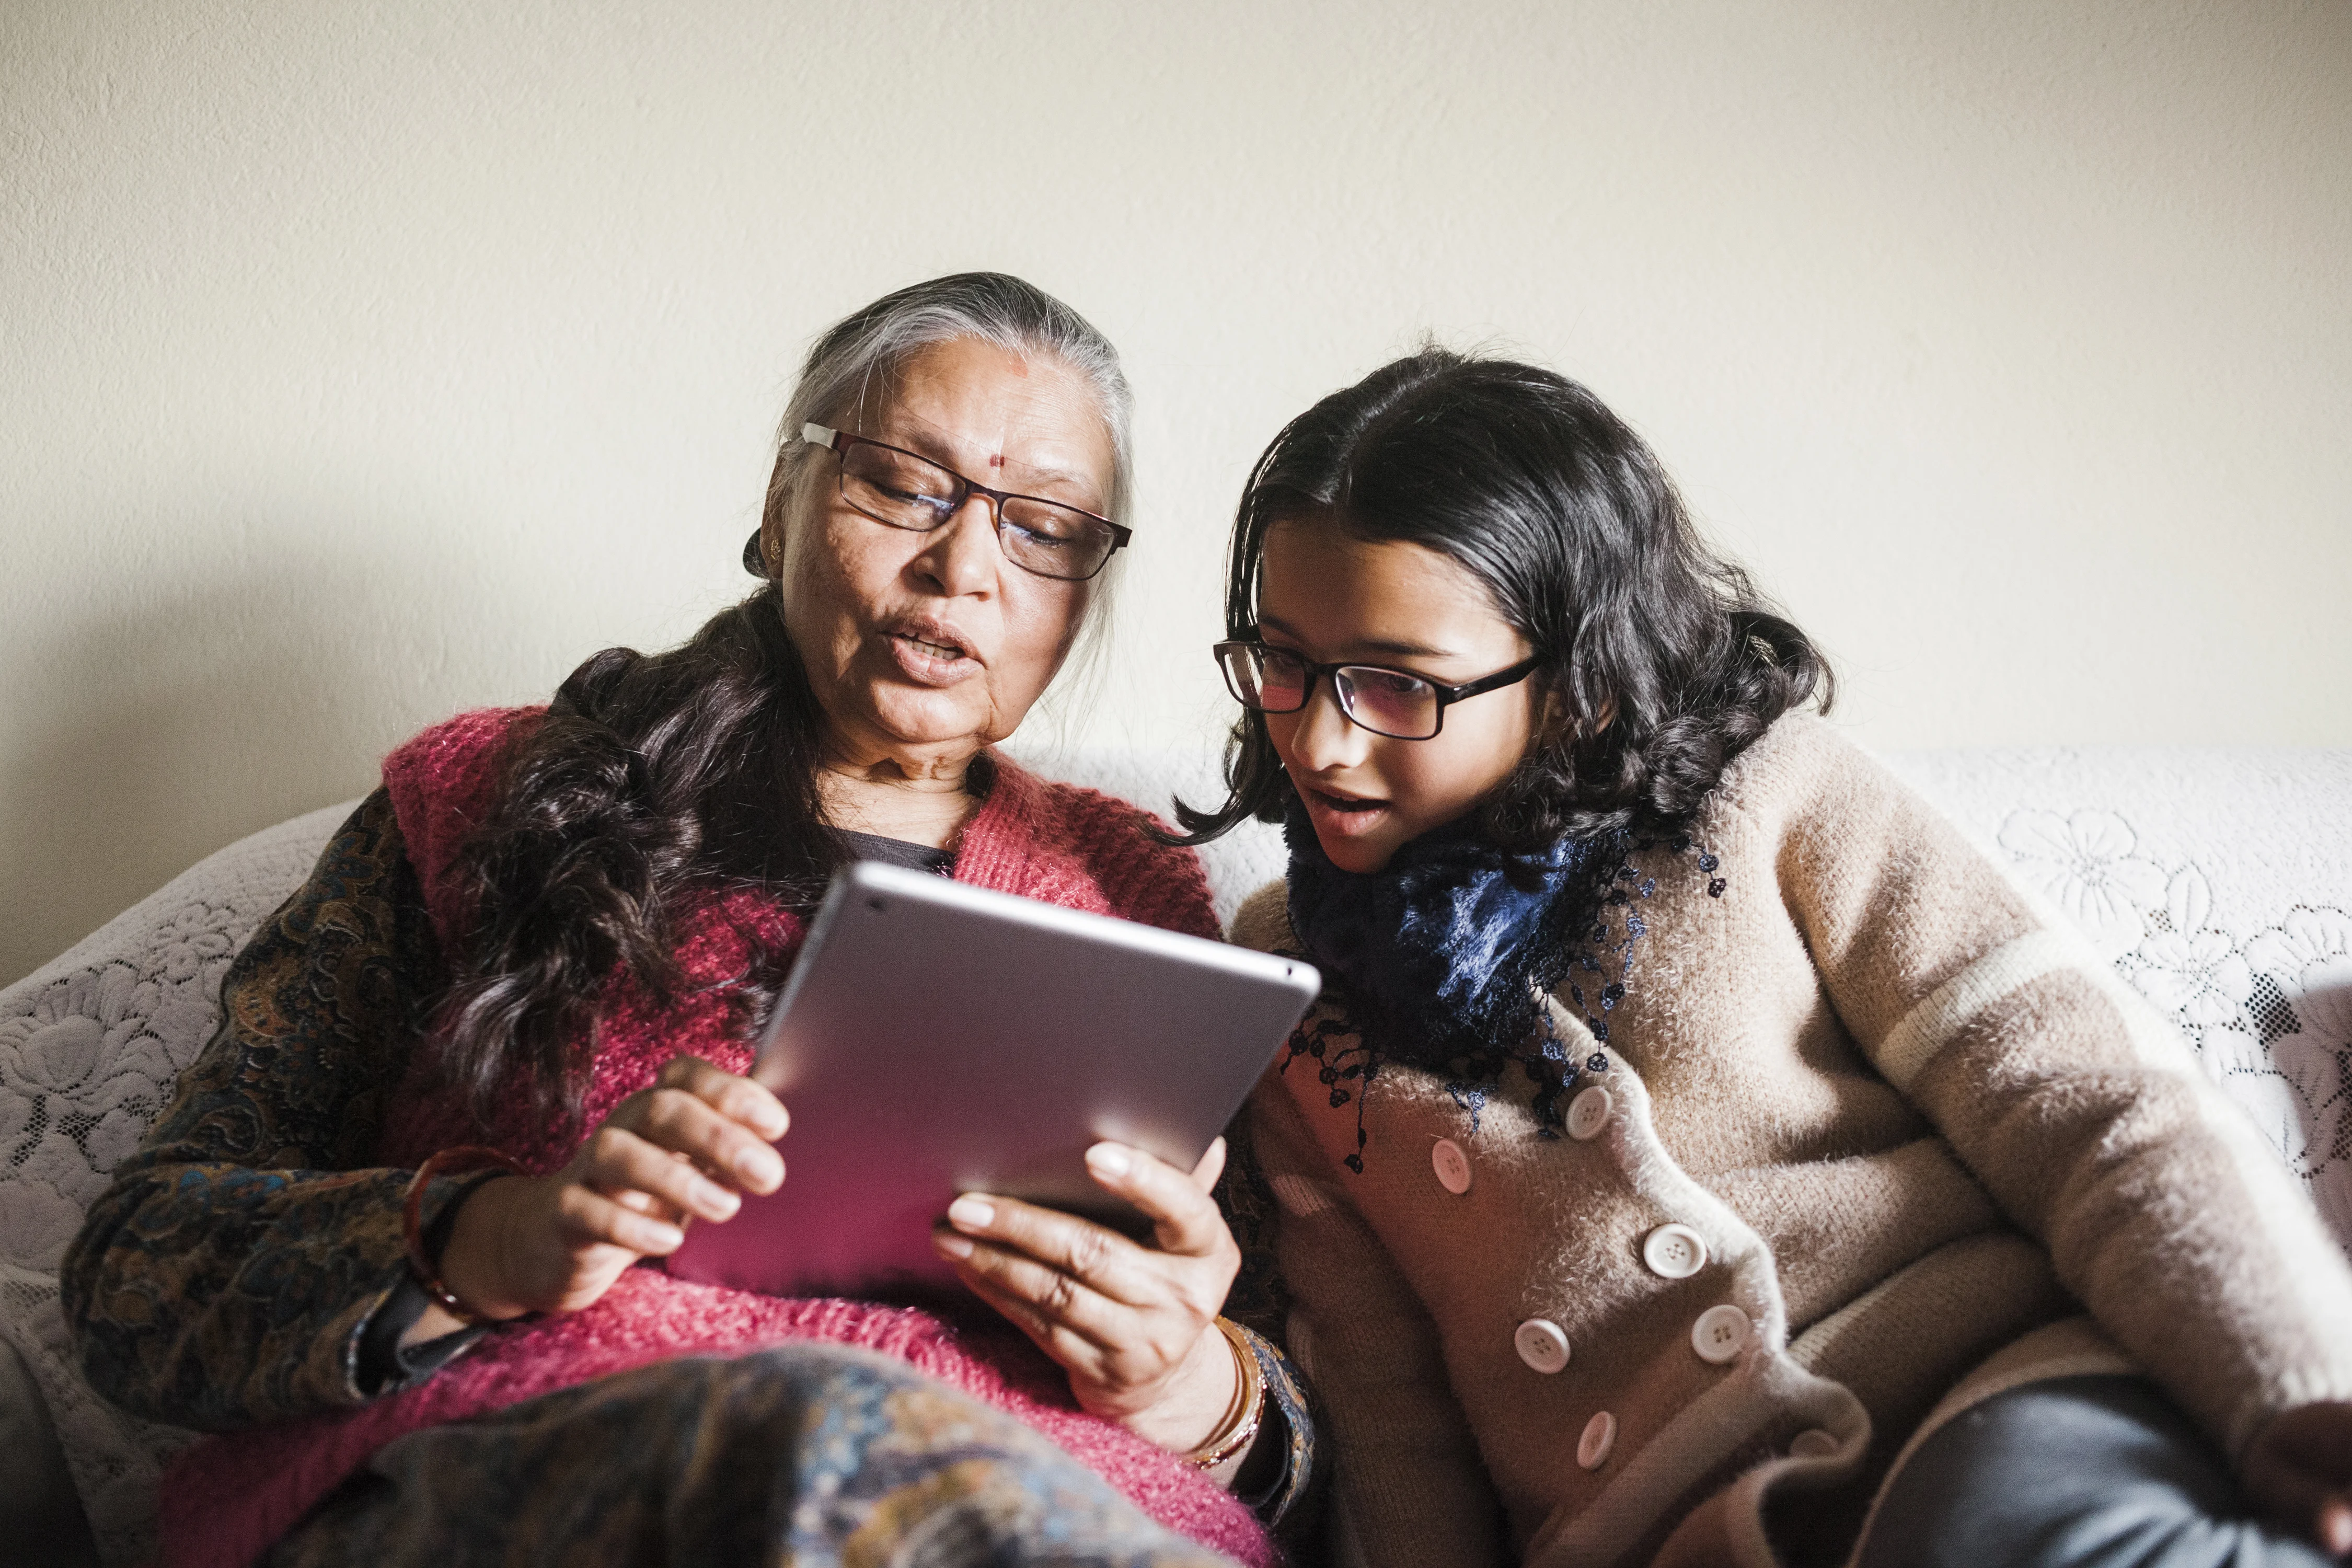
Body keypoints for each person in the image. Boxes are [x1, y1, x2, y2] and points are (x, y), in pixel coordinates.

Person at [62, 273, 1313, 1568]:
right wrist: (499, 1237)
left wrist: (1193, 1390)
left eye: (1044, 528)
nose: (965, 568)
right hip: (547, 1463)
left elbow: (1298, 1425)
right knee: (822, 1430)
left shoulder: (1148, 907)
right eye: (904, 483)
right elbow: (140, 1276)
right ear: (781, 509)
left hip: (1035, 1511)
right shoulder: (497, 801)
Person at [1187, 349, 2352, 1567]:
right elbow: (1389, 1412)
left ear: (1581, 685)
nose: (1319, 738)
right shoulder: (1288, 980)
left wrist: (2286, 1389)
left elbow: (2083, 1101)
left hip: (1985, 1418)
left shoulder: (1771, 792)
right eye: (1280, 662)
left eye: (1395, 683)